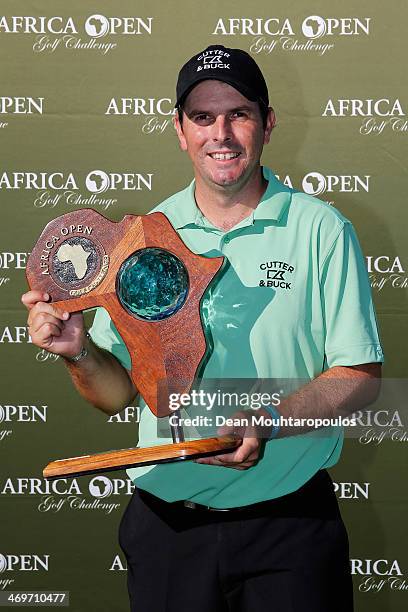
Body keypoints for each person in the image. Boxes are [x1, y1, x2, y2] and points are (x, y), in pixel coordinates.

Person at [22, 45, 383, 611]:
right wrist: (79, 352)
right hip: (168, 528)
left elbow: (360, 376)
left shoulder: (322, 230)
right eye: (203, 117)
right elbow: (116, 397)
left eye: (238, 114)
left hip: (288, 526)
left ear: (267, 123)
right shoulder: (141, 238)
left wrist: (267, 419)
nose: (222, 133)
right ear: (179, 130)